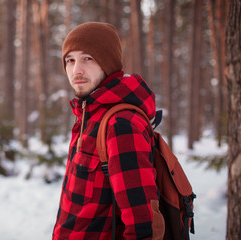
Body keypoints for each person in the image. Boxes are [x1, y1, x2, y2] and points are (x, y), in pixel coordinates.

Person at [52, 22, 165, 239]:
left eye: (88, 58)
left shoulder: (120, 123)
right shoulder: (90, 115)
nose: (76, 70)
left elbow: (143, 224)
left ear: (108, 63)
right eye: (70, 60)